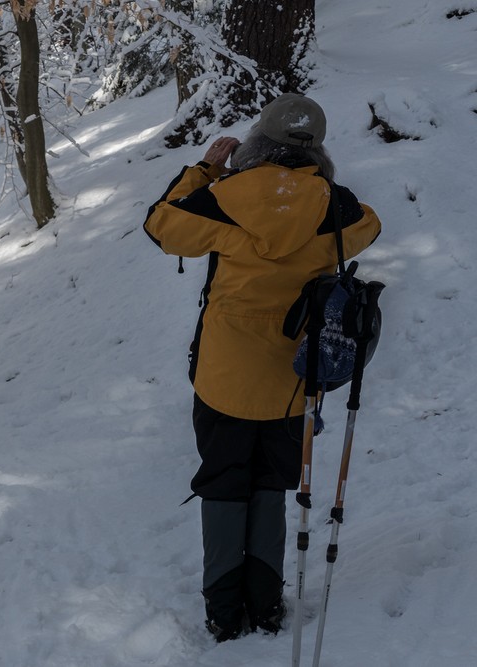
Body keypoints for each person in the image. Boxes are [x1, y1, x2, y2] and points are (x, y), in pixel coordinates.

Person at [142, 93, 382, 642]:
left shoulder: (223, 196)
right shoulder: (334, 204)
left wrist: (205, 169)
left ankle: (224, 615)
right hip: (294, 378)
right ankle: (267, 604)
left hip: (223, 376)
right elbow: (369, 224)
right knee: (272, 482)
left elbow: (161, 226)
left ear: (255, 143)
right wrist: (321, 188)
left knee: (225, 483)